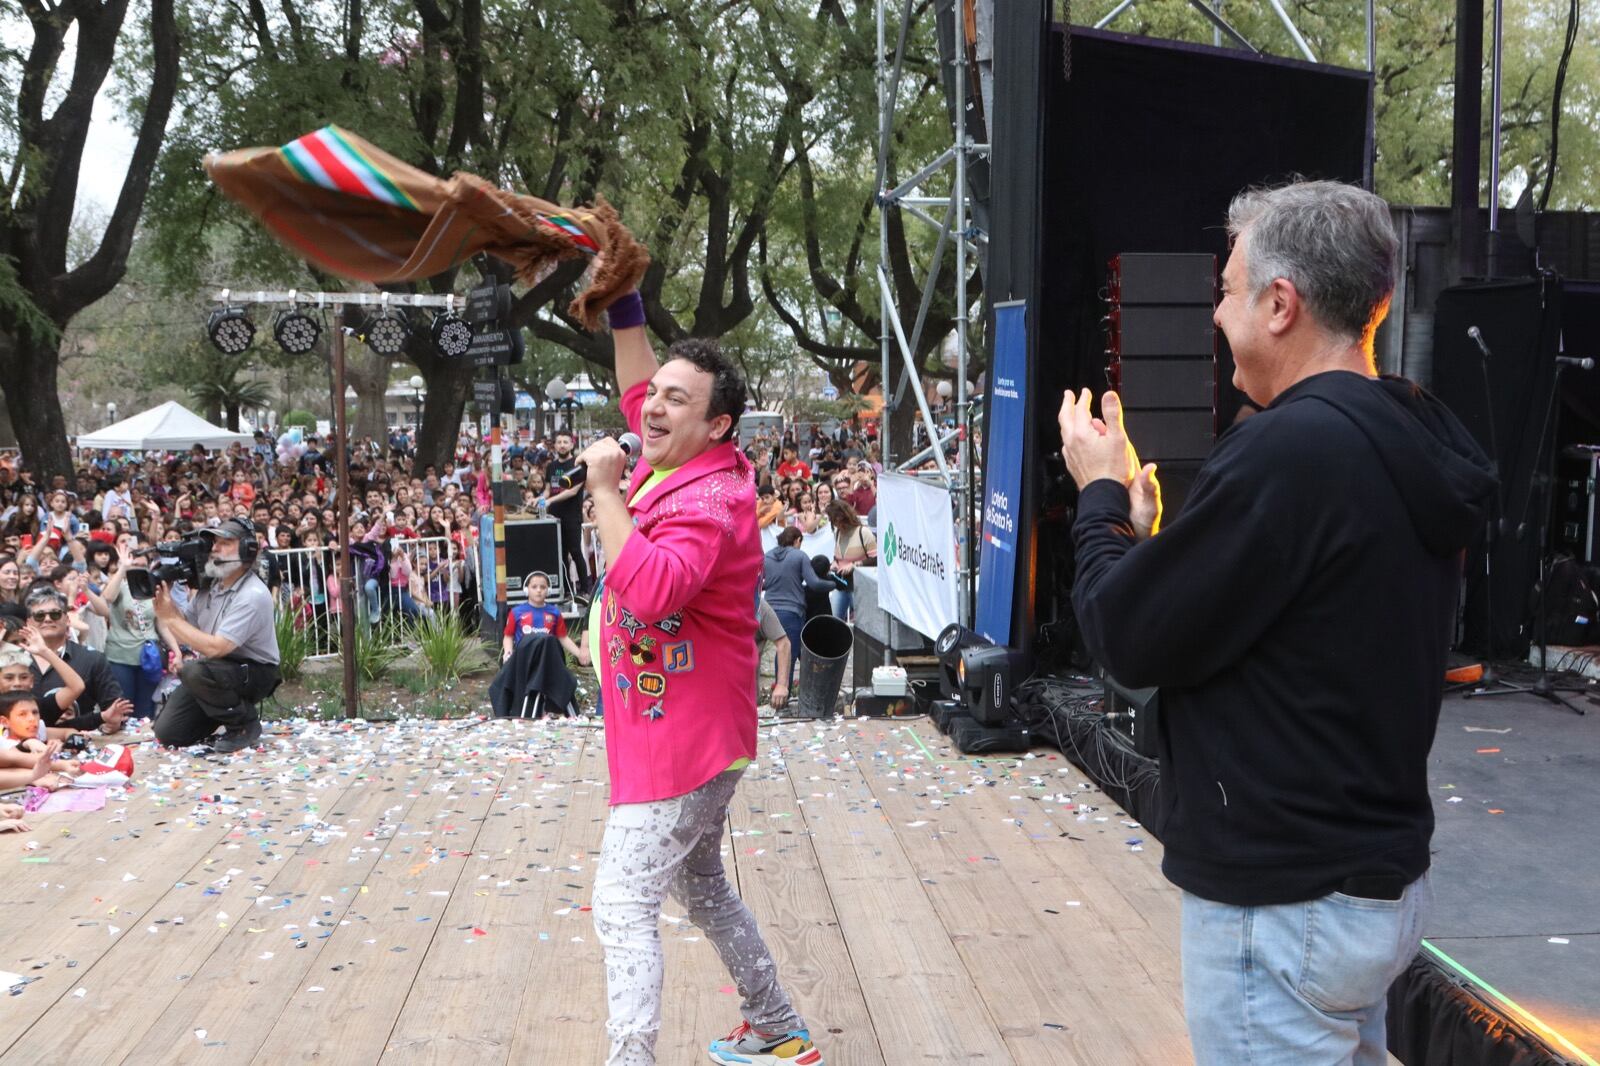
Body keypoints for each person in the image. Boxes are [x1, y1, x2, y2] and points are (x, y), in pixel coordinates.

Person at [1062, 180, 1495, 1066]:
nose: (1217, 316)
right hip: (1366, 884)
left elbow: (1125, 634)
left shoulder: (1290, 450)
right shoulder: (1405, 431)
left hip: (1283, 899)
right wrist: (1157, 546)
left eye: (1226, 291)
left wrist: (1101, 500)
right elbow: (1283, 616)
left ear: (1280, 304)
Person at [579, 296, 822, 1066]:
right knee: (702, 887)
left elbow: (652, 590)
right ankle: (778, 1027)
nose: (652, 406)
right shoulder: (680, 451)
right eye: (657, 394)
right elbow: (637, 380)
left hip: (683, 743)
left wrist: (607, 493)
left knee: (622, 902)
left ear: (717, 425)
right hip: (681, 731)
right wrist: (624, 304)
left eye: (675, 399)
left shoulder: (713, 502)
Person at [151, 518, 281, 752]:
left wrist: (171, 619)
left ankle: (243, 724)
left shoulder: (252, 594)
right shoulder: (210, 589)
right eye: (215, 542)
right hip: (217, 669)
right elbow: (185, 630)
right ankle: (222, 714)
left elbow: (216, 648)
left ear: (247, 549)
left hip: (256, 671)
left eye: (225, 542)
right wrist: (165, 607)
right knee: (168, 733)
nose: (215, 548)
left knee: (192, 670)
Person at [762, 527, 837, 691]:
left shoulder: (767, 556)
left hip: (766, 610)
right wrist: (833, 584)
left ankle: (756, 697)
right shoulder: (799, 556)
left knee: (760, 654)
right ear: (797, 540)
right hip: (791, 612)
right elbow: (814, 583)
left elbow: (763, 584)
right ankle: (783, 696)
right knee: (787, 652)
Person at [501, 572, 588, 666]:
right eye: (534, 587)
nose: (539, 590)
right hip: (524, 661)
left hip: (547, 661)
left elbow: (563, 637)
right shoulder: (516, 612)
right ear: (526, 590)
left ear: (548, 591)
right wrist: (508, 653)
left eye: (542, 587)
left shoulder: (554, 613)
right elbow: (508, 636)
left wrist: (579, 654)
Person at [544, 430, 591, 596]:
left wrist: (550, 500)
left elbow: (572, 491)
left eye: (565, 442)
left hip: (572, 515)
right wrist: (539, 499)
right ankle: (565, 591)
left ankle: (585, 590)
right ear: (554, 445)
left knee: (576, 552)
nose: (562, 445)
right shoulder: (551, 466)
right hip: (554, 516)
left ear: (571, 444)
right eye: (559, 442)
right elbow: (548, 490)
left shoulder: (578, 466)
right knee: (560, 554)